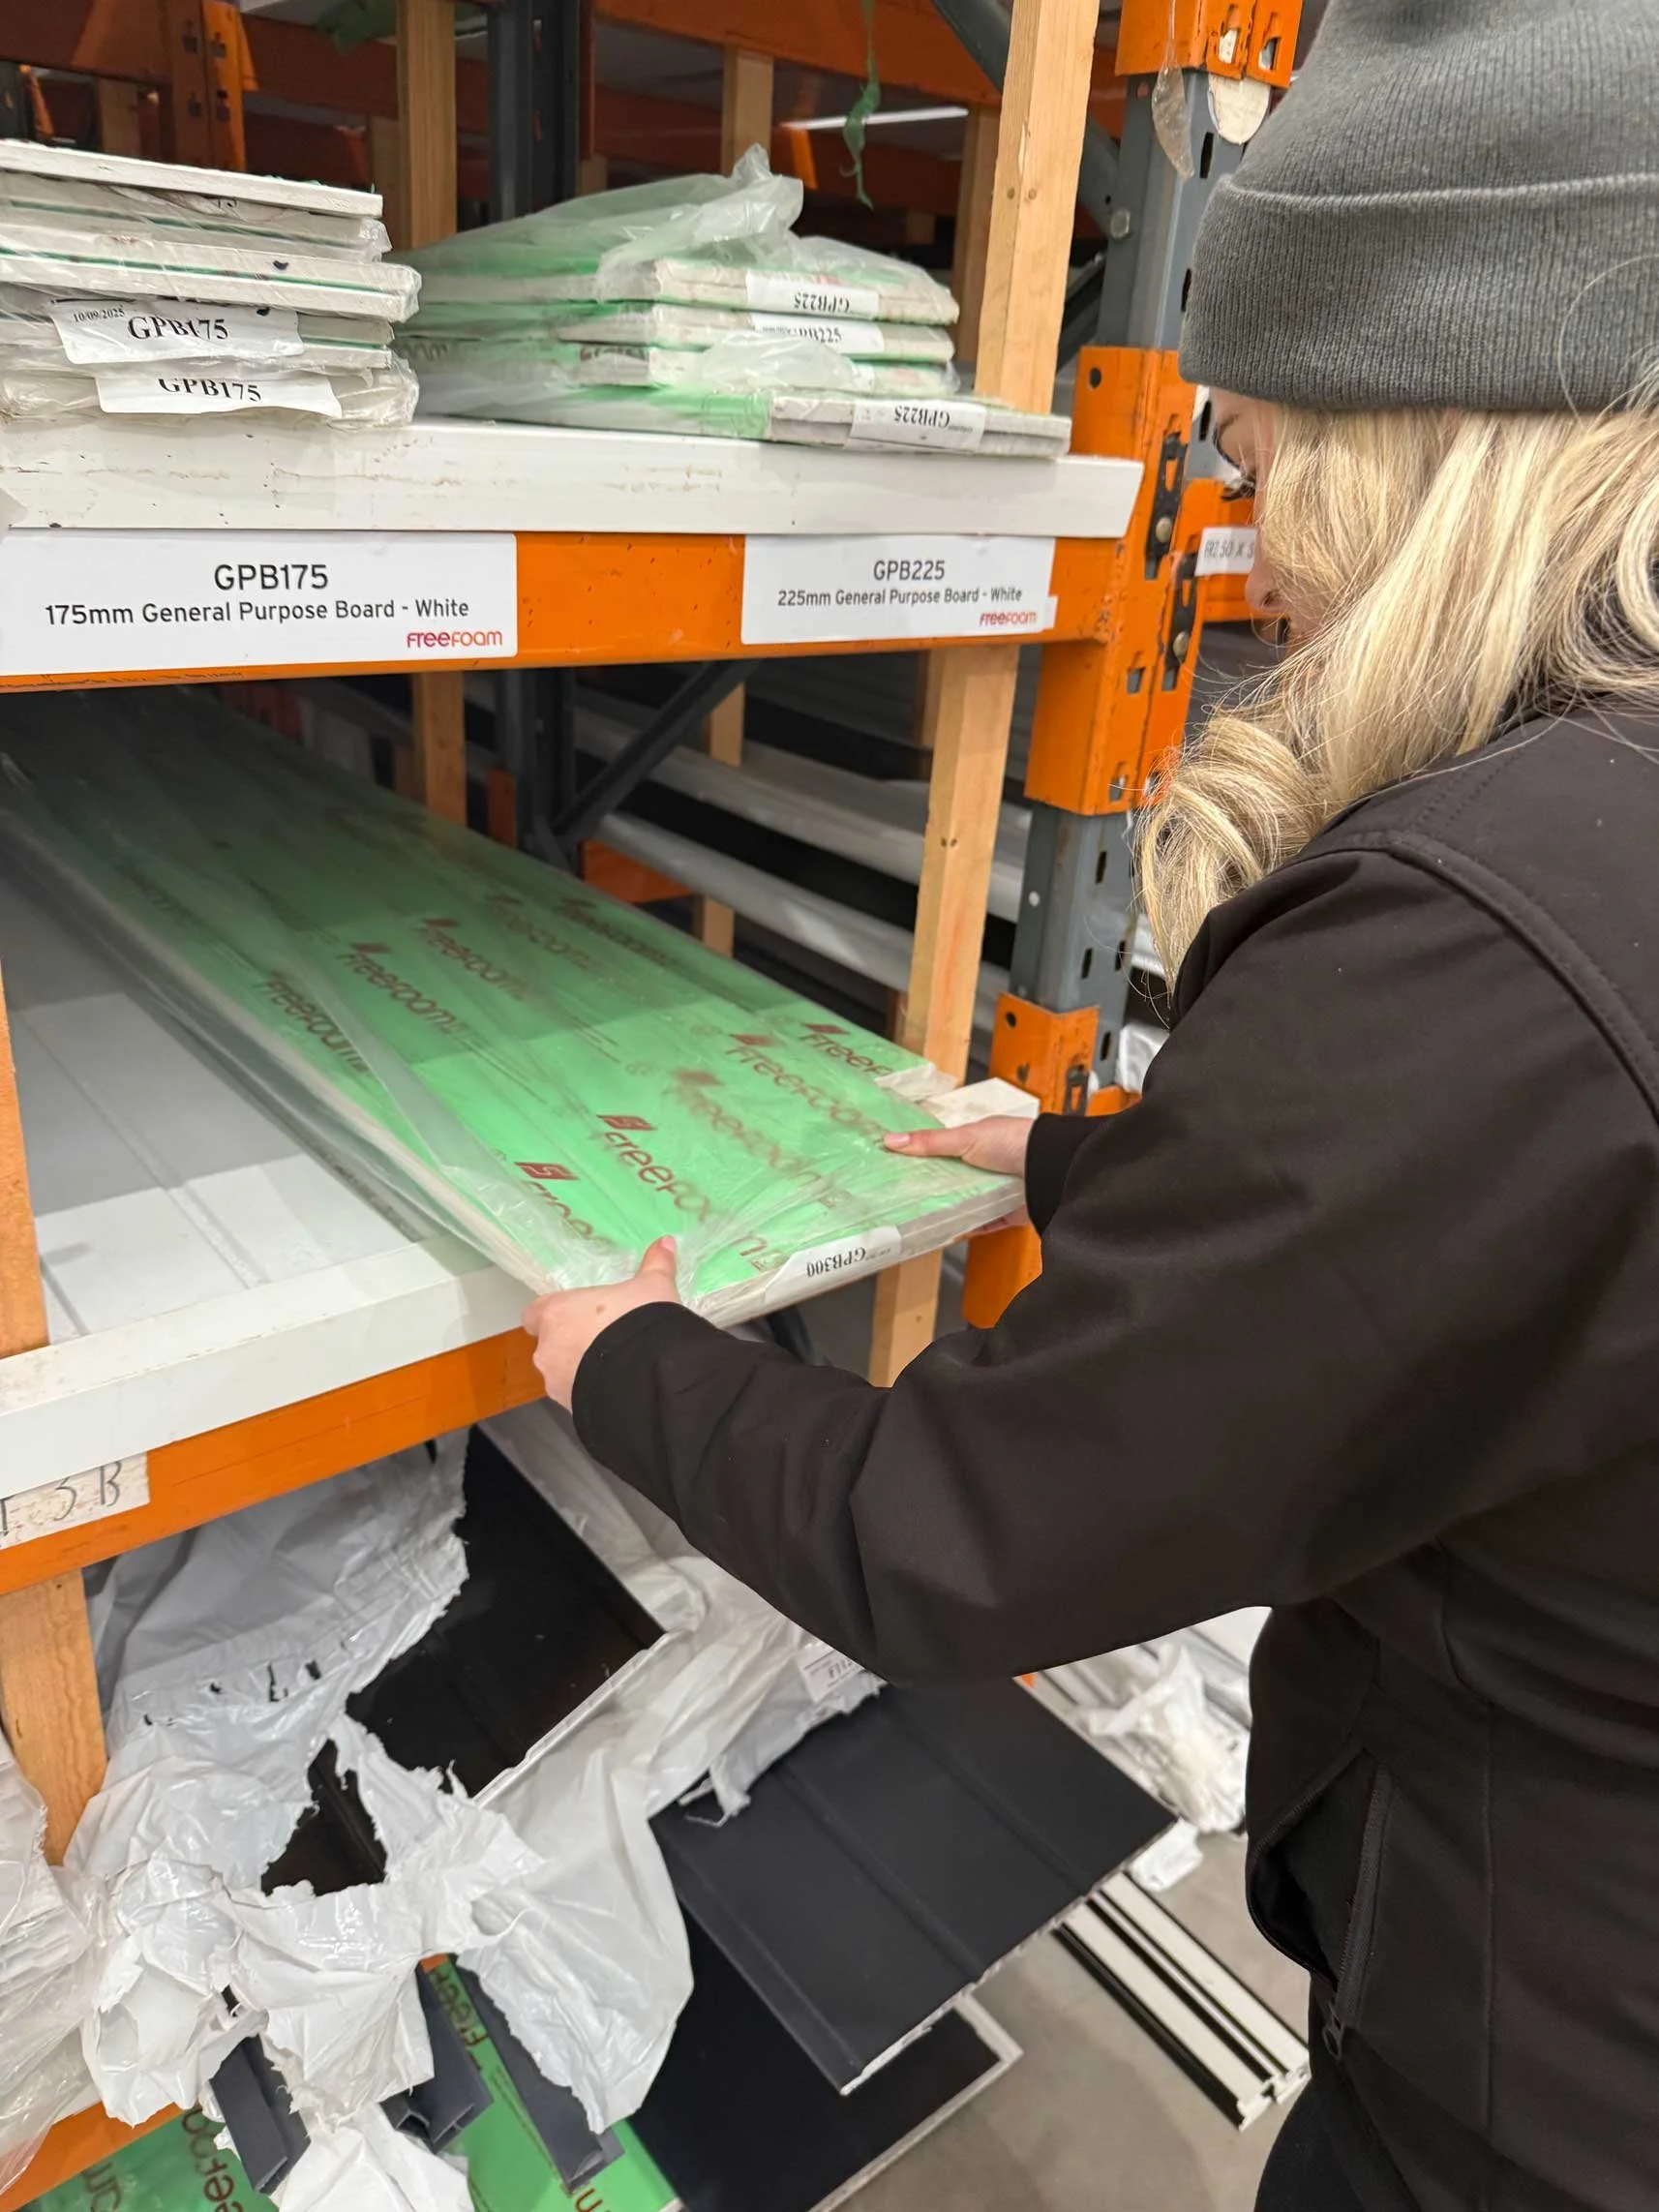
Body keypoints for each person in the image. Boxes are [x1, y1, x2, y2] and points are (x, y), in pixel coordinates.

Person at [524, 5, 1659, 2206]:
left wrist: (628, 1365)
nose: (1252, 555)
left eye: (1255, 463)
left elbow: (956, 1533)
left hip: (1545, 2104)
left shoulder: (1469, 938)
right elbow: (1518, 1242)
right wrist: (1083, 1159)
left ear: (1413, 443)